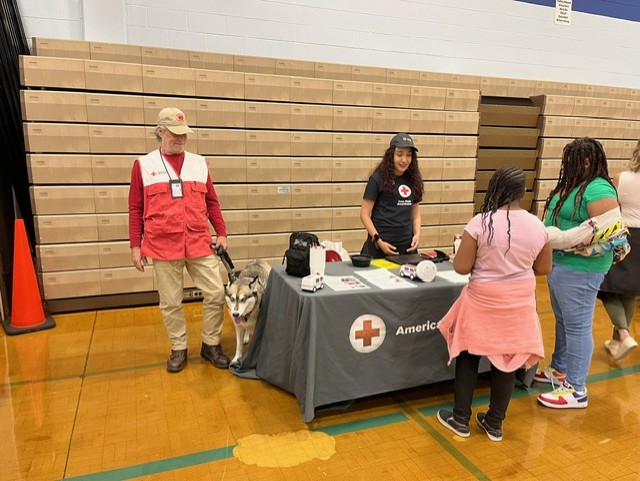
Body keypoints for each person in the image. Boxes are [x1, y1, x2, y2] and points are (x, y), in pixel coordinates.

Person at [436, 166, 552, 441]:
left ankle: (461, 419)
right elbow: (544, 267)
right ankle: (495, 424)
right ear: (522, 192)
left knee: (468, 355)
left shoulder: (481, 222)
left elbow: (462, 267)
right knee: (508, 362)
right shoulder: (538, 226)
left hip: (483, 300)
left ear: (494, 188)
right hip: (519, 302)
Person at [128, 107, 230, 373]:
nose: (181, 140)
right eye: (175, 134)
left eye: (184, 135)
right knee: (171, 302)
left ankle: (211, 344)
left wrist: (221, 232)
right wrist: (135, 246)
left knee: (216, 293)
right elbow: (135, 208)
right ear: (160, 131)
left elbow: (212, 202)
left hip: (198, 241)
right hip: (162, 246)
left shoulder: (199, 163)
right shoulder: (143, 166)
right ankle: (178, 348)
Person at [535, 137, 619, 409]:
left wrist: (554, 237)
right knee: (563, 321)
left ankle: (576, 389)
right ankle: (559, 369)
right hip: (561, 264)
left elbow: (606, 232)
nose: (566, 166)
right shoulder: (574, 185)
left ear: (586, 161)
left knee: (578, 325)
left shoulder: (598, 188)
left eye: (572, 162)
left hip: (582, 269)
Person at [598, 141, 640, 361]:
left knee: (606, 288)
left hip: (625, 235)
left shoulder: (621, 178)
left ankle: (623, 333)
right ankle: (617, 341)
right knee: (629, 290)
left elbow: (612, 208)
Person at [359, 133, 423, 259]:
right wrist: (378, 240)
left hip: (406, 249)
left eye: (408, 155)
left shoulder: (413, 180)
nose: (404, 160)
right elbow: (364, 215)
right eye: (399, 154)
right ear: (391, 155)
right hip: (379, 248)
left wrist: (417, 234)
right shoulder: (377, 179)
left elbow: (416, 215)